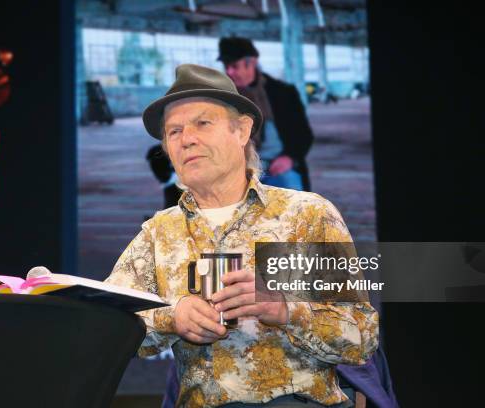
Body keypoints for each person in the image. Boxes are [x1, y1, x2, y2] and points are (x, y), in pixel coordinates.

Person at [106, 64, 378, 407]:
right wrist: (172, 317)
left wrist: (283, 310)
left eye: (203, 123)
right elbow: (109, 325)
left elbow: (361, 336)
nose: (187, 138)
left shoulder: (305, 215)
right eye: (174, 132)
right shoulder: (159, 233)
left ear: (242, 130)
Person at [218, 36, 314, 191]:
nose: (229, 72)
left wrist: (289, 158)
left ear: (252, 63)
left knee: (295, 205)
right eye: (226, 66)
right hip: (239, 171)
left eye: (235, 66)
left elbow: (304, 135)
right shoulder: (222, 98)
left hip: (278, 167)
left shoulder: (283, 93)